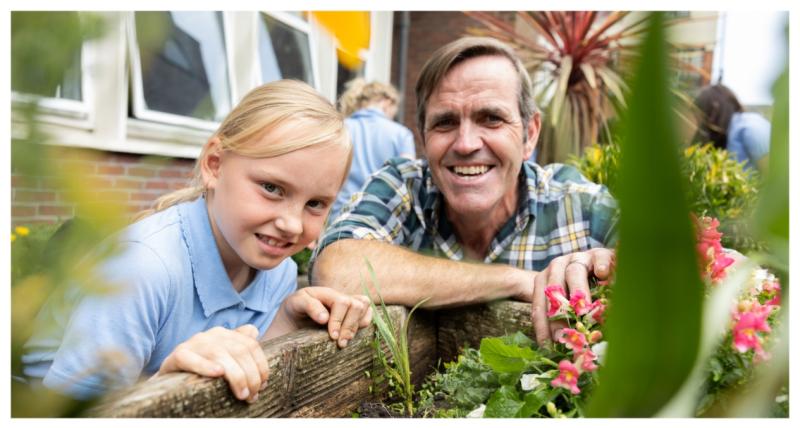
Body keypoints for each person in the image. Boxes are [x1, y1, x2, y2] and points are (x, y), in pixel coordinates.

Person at [22, 80, 373, 402]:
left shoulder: (277, 271)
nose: (291, 225)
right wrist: (167, 384)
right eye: (271, 188)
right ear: (214, 165)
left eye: (316, 204)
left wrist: (286, 321)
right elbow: (70, 412)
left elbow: (246, 379)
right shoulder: (142, 269)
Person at [310, 37, 618, 346]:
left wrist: (611, 265)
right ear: (423, 138)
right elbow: (336, 269)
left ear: (530, 134)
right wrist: (512, 280)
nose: (466, 144)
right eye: (445, 122)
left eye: (492, 119)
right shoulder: (405, 186)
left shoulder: (577, 204)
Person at [330, 78, 416, 221]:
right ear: (387, 102)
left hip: (339, 216)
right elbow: (409, 180)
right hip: (381, 218)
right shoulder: (402, 134)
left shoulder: (339, 128)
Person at [694, 84, 771, 172]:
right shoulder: (727, 135)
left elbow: (774, 171)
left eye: (704, 114)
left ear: (715, 109)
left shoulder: (749, 126)